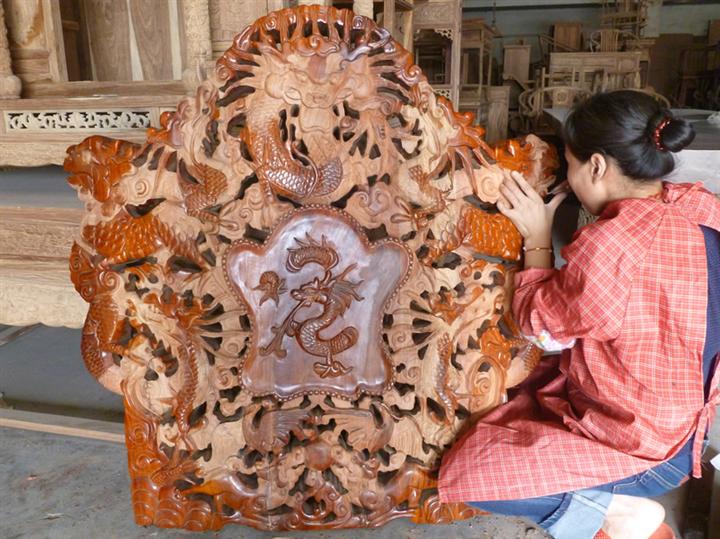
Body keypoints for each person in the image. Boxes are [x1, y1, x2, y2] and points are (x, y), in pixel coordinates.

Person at [438, 90, 720, 539]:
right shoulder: (700, 204)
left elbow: (540, 331)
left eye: (569, 164)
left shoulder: (614, 244)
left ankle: (619, 513)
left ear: (597, 166)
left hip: (646, 447)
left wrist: (537, 238)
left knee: (469, 471)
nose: (567, 180)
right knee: (517, 386)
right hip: (689, 421)